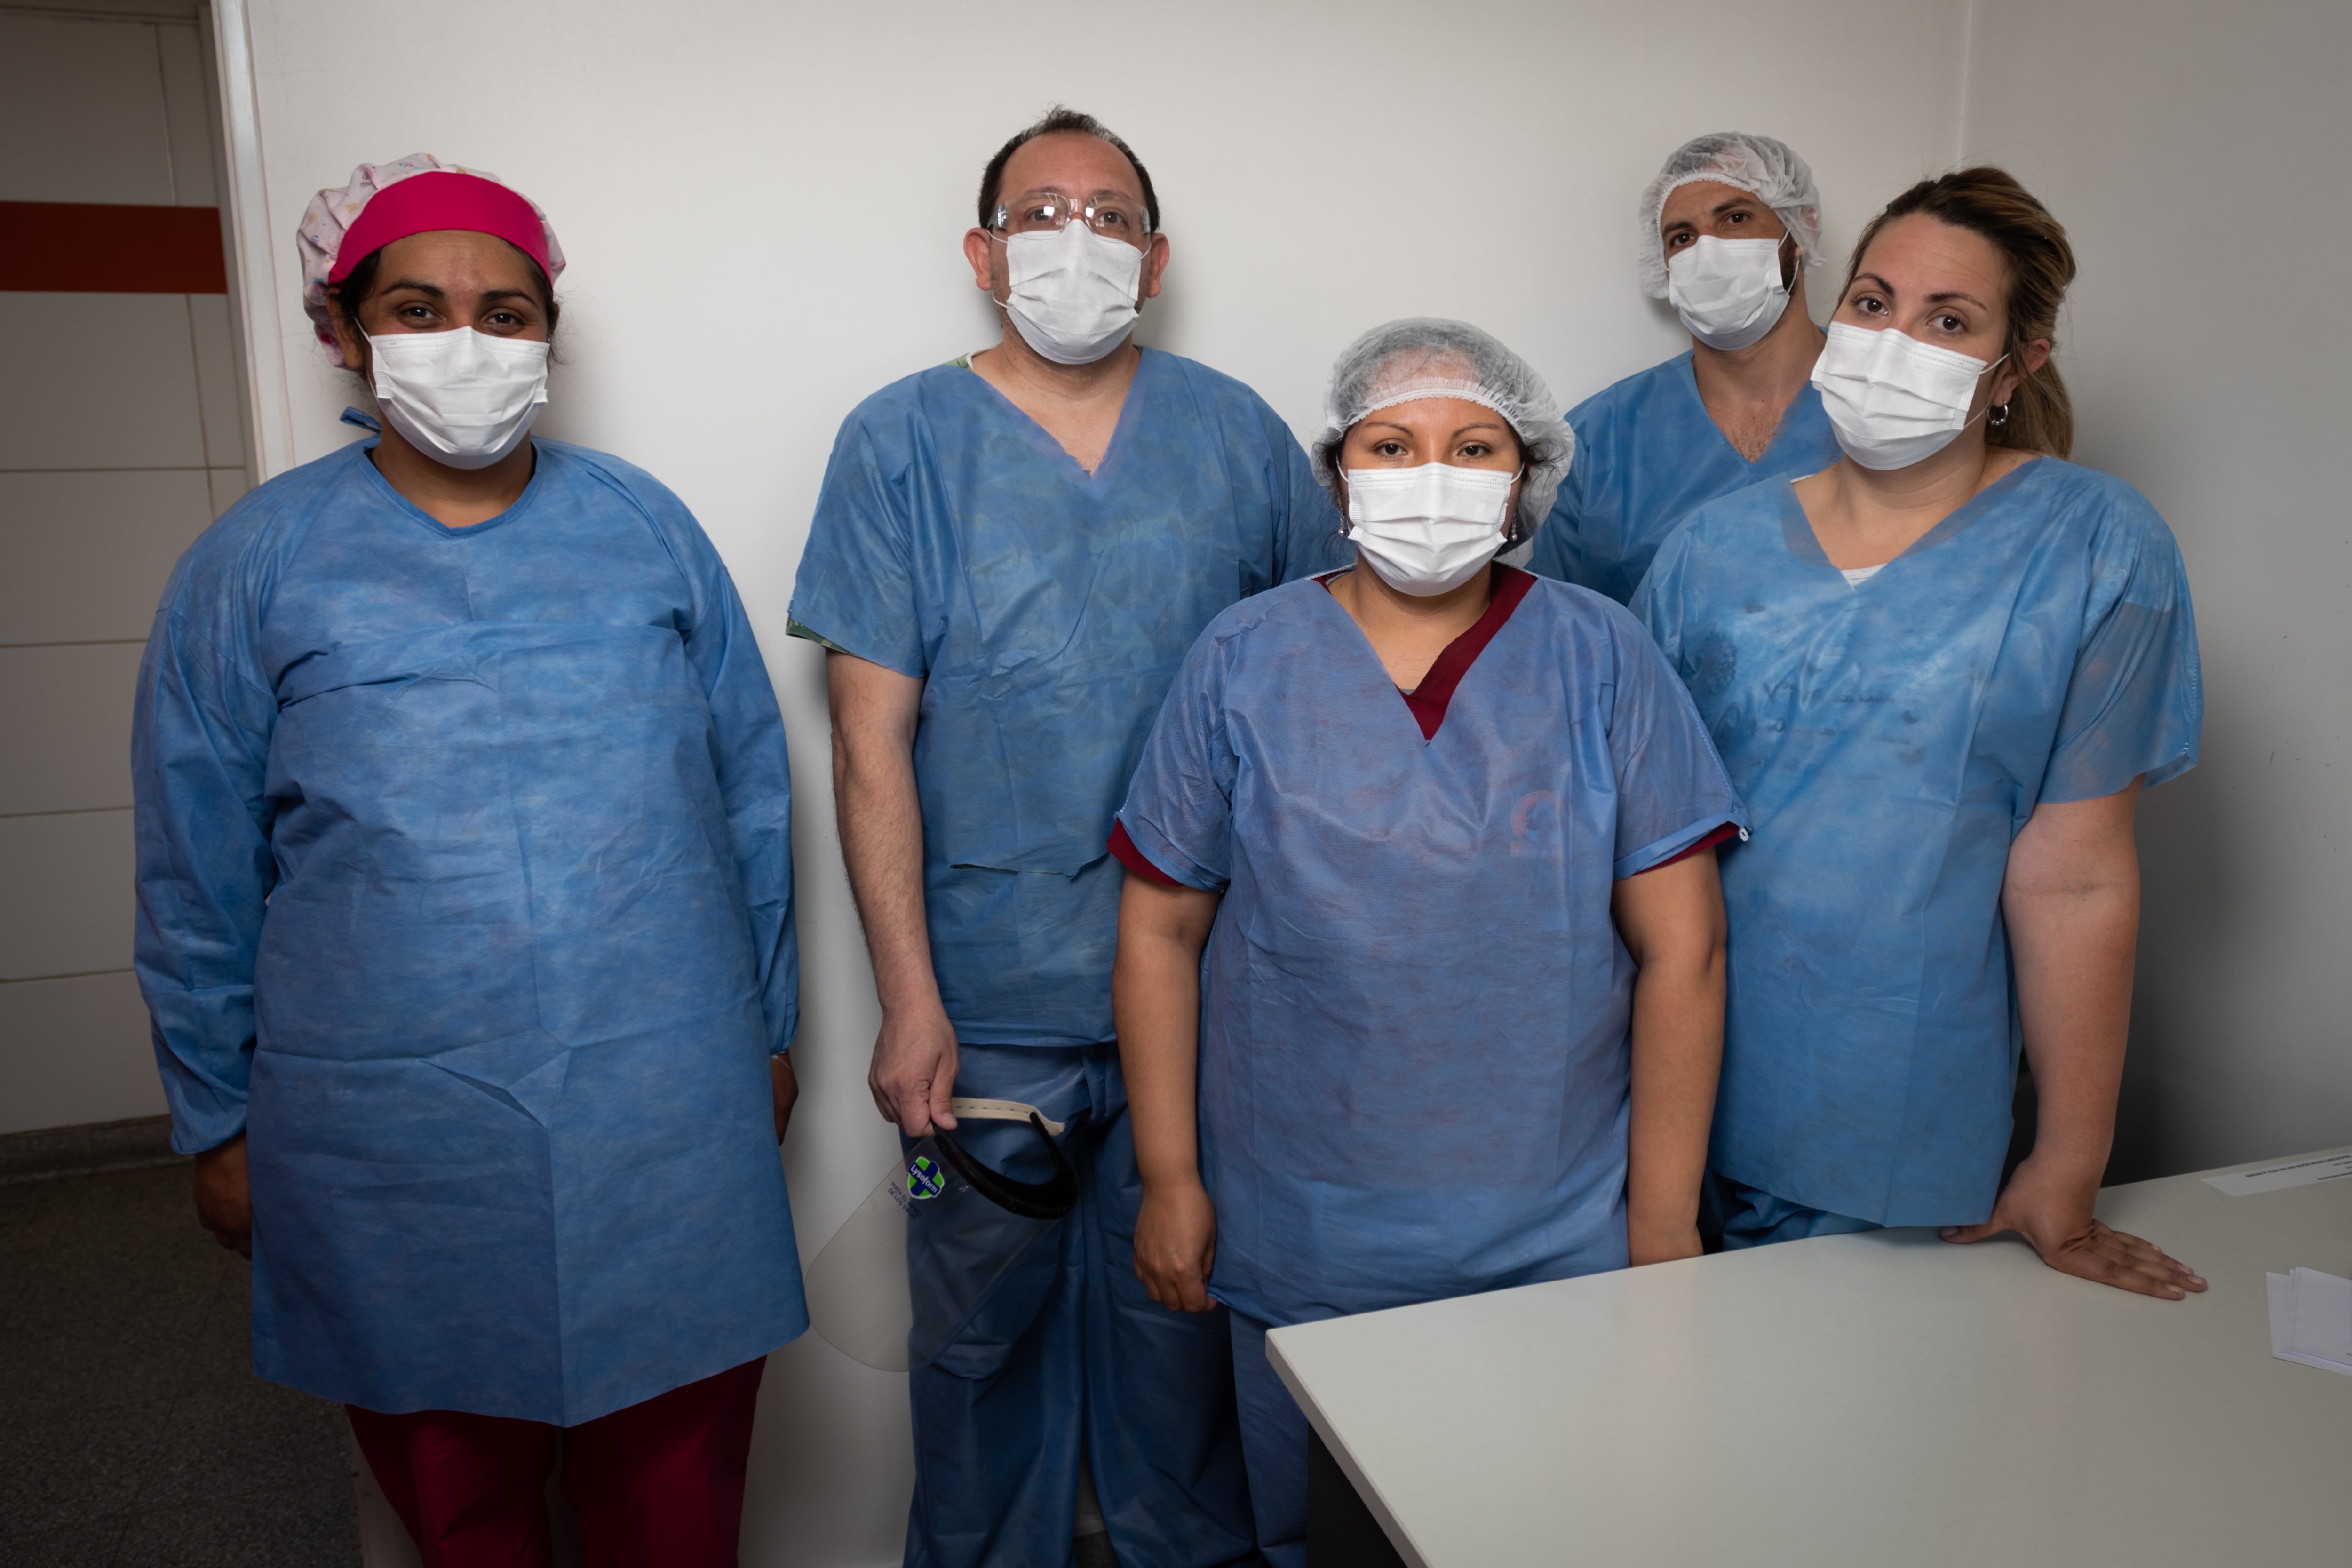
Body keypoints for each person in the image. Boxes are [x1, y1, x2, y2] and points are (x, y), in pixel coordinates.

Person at [132, 155, 804, 1567]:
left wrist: (771, 1028)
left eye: (506, 313)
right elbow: (195, 873)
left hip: (665, 1115)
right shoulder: (255, 565)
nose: (468, 342)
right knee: (461, 1511)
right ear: (344, 329)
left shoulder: (645, 532)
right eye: (419, 307)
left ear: (548, 337)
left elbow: (748, 797)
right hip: (390, 1143)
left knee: (675, 1509)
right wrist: (215, 1115)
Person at [787, 109, 1345, 1568]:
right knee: (975, 1354)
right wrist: (912, 1000)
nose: (1076, 239)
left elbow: (1333, 700)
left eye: (1109, 214)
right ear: (983, 254)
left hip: (1213, 1001)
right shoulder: (901, 443)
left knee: (1186, 1339)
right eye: (1043, 211)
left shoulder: (1239, 440)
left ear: (1154, 259)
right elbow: (869, 744)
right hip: (990, 1009)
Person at [1111, 319, 1746, 1568]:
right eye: (1391, 445)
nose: (1431, 475)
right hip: (1302, 1228)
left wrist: (1662, 1228)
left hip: (1554, 1230)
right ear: (1338, 471)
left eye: (1474, 445)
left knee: (1546, 1522)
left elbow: (1687, 953)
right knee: (1320, 1531)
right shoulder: (1244, 657)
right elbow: (1159, 927)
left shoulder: (1600, 652)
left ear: (1525, 480)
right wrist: (1174, 1177)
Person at [1634, 168, 2209, 1297]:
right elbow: (1637, 845)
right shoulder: (1711, 551)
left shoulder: (2094, 545)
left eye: (1949, 320)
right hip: (1670, 1087)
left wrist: (2066, 1163)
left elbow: (2075, 881)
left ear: (2019, 363)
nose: (1894, 340)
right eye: (1872, 302)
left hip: (1896, 1106)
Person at [1526, 132, 1842, 604]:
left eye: (1735, 218)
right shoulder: (1602, 439)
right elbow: (1557, 632)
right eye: (1682, 237)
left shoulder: (1886, 399)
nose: (1705, 254)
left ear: (1798, 230)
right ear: (1663, 267)